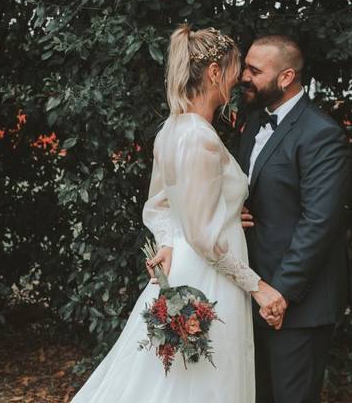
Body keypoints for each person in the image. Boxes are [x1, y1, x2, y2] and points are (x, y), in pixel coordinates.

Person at [70, 25, 285, 403]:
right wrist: (260, 288)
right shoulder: (199, 137)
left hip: (187, 264)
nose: (237, 81)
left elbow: (158, 205)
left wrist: (181, 235)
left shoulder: (172, 129)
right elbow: (203, 236)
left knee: (175, 382)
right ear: (215, 73)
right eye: (234, 70)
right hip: (209, 277)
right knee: (198, 385)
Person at [236, 34, 352, 403]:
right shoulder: (254, 122)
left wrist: (281, 294)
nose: (243, 76)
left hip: (298, 304)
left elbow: (319, 223)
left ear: (286, 77)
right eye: (245, 66)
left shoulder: (322, 134)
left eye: (255, 70)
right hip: (254, 292)